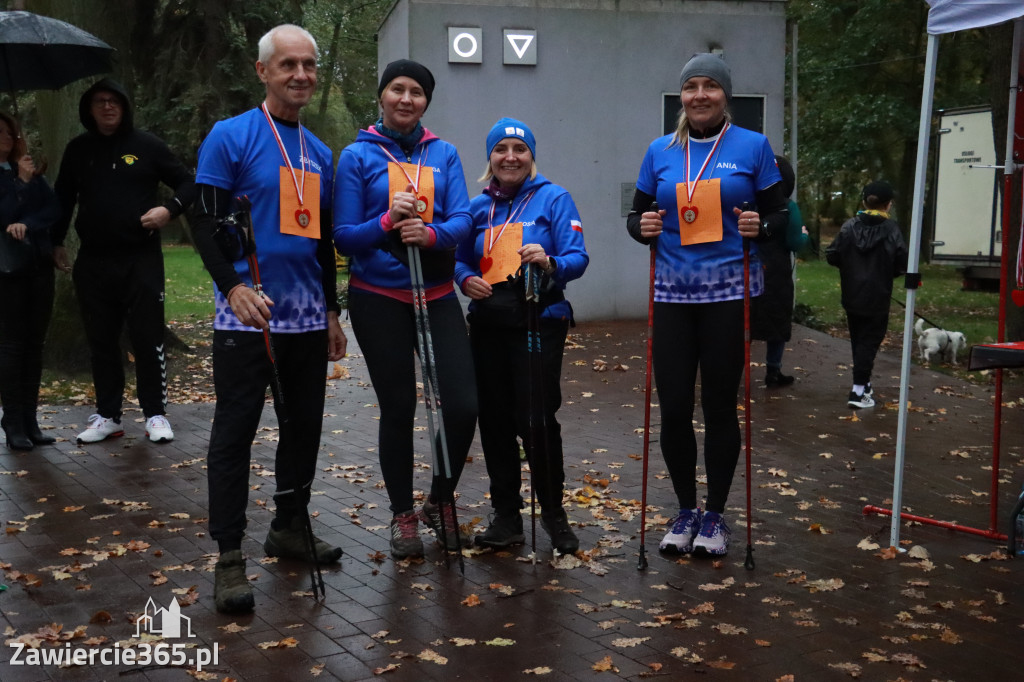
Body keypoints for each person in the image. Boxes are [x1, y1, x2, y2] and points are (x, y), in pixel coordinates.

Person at [192, 24, 347, 614]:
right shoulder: (229, 137)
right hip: (246, 319)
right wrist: (231, 286)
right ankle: (229, 556)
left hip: (306, 322)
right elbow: (203, 224)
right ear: (263, 71)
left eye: (309, 65)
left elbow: (323, 240)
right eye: (288, 65)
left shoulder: (321, 151)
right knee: (235, 435)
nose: (301, 75)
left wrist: (332, 310)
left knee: (303, 429)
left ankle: (288, 525)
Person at [626, 53, 787, 557]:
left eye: (710, 86)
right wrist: (642, 228)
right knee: (673, 407)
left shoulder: (753, 147)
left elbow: (780, 213)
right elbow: (637, 216)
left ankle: (714, 515)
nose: (700, 95)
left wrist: (762, 226)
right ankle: (684, 509)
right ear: (681, 97)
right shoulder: (660, 151)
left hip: (729, 292)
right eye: (691, 86)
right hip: (673, 293)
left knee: (719, 405)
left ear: (725, 95)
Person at [334, 59, 476, 559]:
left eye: (417, 91)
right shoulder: (356, 156)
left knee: (462, 405)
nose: (406, 99)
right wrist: (387, 221)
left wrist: (432, 234)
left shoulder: (445, 154)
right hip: (379, 297)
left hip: (436, 293)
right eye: (397, 89)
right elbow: (345, 236)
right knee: (399, 407)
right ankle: (402, 516)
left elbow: (463, 218)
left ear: (426, 102)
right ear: (382, 95)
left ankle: (439, 499)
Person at [455, 118, 589, 554]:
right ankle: (507, 517)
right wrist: (464, 279)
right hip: (490, 324)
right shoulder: (476, 208)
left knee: (535, 419)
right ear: (489, 158)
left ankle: (553, 514)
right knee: (493, 421)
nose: (510, 156)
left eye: (519, 148)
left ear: (532, 156)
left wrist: (550, 260)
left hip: (540, 321)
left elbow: (578, 257)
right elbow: (456, 260)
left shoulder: (554, 197)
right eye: (501, 149)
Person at [53, 78, 195, 445]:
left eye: (114, 100)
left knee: (148, 338)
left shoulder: (147, 146)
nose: (107, 107)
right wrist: (55, 242)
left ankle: (156, 414)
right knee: (101, 340)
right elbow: (62, 199)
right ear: (89, 108)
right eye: (99, 101)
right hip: (94, 261)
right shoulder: (78, 149)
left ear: (125, 106)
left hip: (140, 259)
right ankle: (108, 416)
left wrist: (169, 210)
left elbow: (188, 183)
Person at [0, 112, 60, 451]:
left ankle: (31, 419)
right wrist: (20, 186)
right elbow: (4, 215)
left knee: (35, 344)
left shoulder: (27, 169)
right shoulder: (16, 176)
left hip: (38, 266)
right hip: (7, 271)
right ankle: (13, 420)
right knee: (12, 345)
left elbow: (51, 209)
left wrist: (30, 223)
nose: (7, 137)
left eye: (10, 131)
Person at [825, 180, 908, 409]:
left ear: (864, 201)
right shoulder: (892, 229)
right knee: (868, 343)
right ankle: (858, 391)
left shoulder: (849, 226)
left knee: (859, 341)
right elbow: (902, 262)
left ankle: (864, 383)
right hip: (878, 296)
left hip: (852, 295)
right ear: (888, 205)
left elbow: (832, 254)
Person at [751, 155, 809, 387]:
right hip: (775, 270)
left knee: (745, 320)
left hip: (747, 265)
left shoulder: (748, 202)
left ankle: (733, 371)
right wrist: (805, 235)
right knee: (776, 318)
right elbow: (796, 242)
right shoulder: (788, 206)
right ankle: (773, 371)